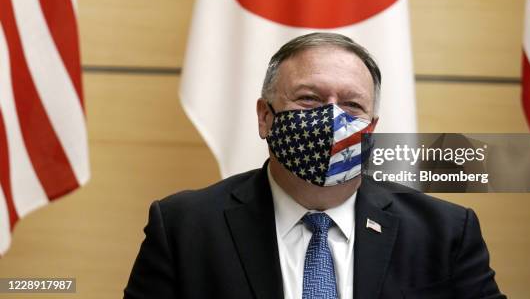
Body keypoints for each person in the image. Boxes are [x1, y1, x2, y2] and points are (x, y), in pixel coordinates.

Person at [124, 33, 505, 299]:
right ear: (265, 117)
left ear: (371, 130)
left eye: (352, 106)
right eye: (309, 99)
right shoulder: (184, 228)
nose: (333, 119)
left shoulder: (445, 232)